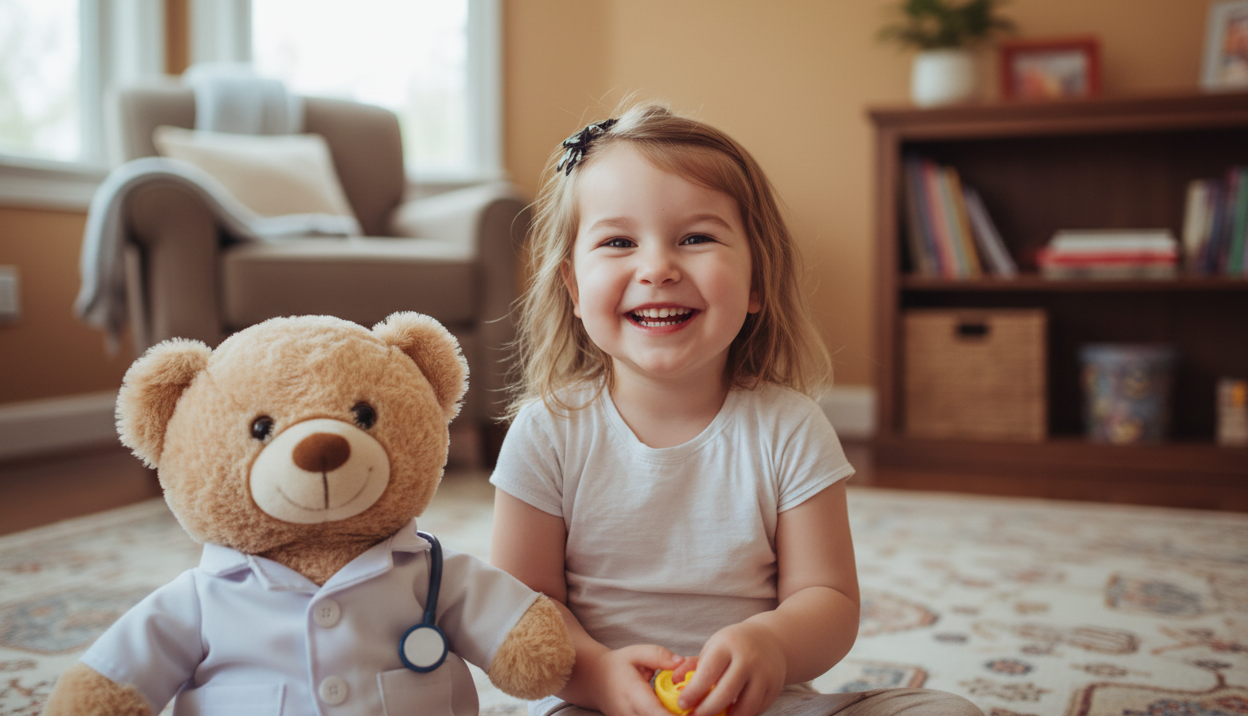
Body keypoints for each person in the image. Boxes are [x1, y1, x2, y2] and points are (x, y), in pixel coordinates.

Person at [489, 102, 982, 717]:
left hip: (762, 706)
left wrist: (769, 644)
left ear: (755, 284)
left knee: (946, 713)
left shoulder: (791, 428)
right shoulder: (547, 431)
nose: (658, 268)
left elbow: (826, 597)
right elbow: (522, 607)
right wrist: (598, 676)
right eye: (618, 242)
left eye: (696, 239)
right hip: (598, 707)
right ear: (573, 288)